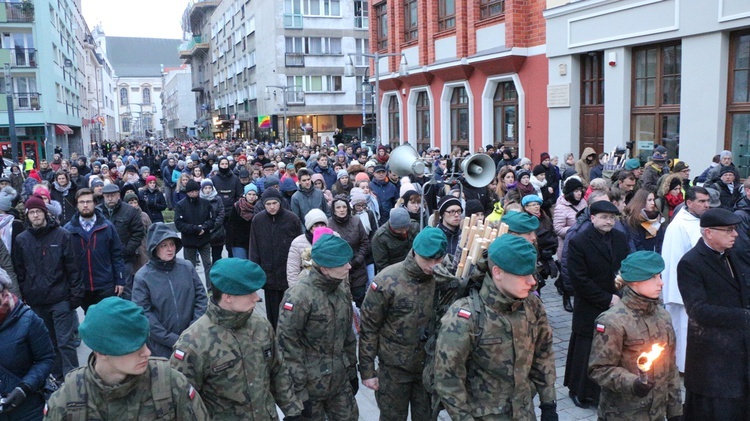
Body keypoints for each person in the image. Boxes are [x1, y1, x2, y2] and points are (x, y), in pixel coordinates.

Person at [433, 234, 558, 420]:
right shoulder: (464, 317)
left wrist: (549, 404)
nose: (532, 282)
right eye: (523, 274)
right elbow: (448, 379)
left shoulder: (532, 305)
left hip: (524, 413)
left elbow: (543, 354)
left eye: (532, 274)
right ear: (498, 272)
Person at [170, 258, 304, 419]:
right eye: (249, 292)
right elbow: (181, 401)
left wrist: (292, 411)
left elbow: (277, 370)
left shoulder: (260, 326)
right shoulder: (192, 343)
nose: (257, 297)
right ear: (228, 297)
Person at [44, 297, 209, 420]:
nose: (147, 353)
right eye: (133, 348)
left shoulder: (170, 383)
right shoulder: (67, 401)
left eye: (144, 343)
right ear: (101, 352)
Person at [359, 227, 448, 421]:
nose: (432, 266)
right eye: (427, 260)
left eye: (438, 260)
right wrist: (367, 371)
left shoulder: (444, 279)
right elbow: (369, 327)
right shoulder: (387, 280)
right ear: (415, 252)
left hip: (428, 368)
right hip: (394, 369)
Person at [588, 251, 683, 421]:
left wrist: (675, 411)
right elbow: (599, 369)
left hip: (657, 414)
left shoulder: (663, 316)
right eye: (653, 277)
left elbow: (671, 368)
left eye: (660, 276)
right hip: (624, 415)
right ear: (635, 281)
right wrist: (632, 382)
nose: (661, 283)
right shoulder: (612, 321)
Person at [277, 233, 359, 420]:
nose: (349, 266)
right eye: (342, 263)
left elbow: (348, 335)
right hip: (310, 387)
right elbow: (287, 347)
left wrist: (352, 372)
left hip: (339, 382)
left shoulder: (341, 289)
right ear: (325, 268)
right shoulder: (298, 296)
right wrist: (298, 396)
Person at [678, 208, 749, 419]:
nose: (735, 234)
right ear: (709, 233)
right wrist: (744, 317)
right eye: (729, 230)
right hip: (712, 357)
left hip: (738, 351)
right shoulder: (690, 263)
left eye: (735, 229)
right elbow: (697, 310)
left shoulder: (731, 254)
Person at [564, 200, 629, 408]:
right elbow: (579, 280)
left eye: (611, 218)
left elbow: (625, 265)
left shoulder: (619, 237)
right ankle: (579, 391)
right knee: (585, 350)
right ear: (592, 218)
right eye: (604, 217)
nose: (608, 221)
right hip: (590, 305)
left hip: (617, 300)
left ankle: (605, 390)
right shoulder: (579, 241)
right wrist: (607, 298)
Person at [132, 223, 207, 359]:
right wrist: (171, 339)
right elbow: (144, 314)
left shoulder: (187, 267)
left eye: (172, 244)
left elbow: (201, 298)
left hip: (193, 340)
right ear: (154, 248)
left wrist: (191, 331)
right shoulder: (143, 277)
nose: (170, 249)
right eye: (164, 245)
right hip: (161, 347)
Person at [660, 186, 710, 373]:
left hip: (699, 287)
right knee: (681, 329)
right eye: (701, 201)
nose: (706, 205)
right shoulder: (678, 225)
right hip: (683, 291)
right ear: (689, 203)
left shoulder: (698, 221)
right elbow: (673, 261)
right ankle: (681, 367)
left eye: (707, 201)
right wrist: (676, 293)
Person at [0, 268, 55, 421]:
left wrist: (24, 388)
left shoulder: (29, 320)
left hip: (27, 409)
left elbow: (46, 358)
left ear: (3, 291)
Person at [249, 188, 302, 329]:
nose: (272, 207)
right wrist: (255, 271)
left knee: (290, 310)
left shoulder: (292, 219)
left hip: (288, 274)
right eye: (268, 204)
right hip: (269, 274)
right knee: (272, 313)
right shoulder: (258, 220)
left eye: (274, 203)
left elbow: (300, 246)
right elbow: (254, 247)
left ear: (280, 203)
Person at [98, 183, 145, 300]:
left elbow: (138, 233)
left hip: (125, 259)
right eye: (107, 196)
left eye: (112, 195)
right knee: (106, 292)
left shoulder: (129, 211)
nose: (110, 198)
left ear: (118, 195)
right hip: (103, 260)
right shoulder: (97, 212)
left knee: (125, 291)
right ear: (103, 196)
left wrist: (126, 250)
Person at [174, 179, 220, 288]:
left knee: (208, 264)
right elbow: (179, 224)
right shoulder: (181, 205)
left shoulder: (205, 203)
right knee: (190, 266)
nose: (194, 194)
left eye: (195, 191)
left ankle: (210, 288)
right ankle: (193, 288)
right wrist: (195, 228)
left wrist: (204, 227)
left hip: (204, 239)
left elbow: (212, 219)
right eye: (191, 192)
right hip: (189, 241)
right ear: (187, 193)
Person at [328, 195, 370, 306]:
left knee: (359, 299)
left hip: (357, 268)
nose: (341, 210)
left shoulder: (356, 221)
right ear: (333, 209)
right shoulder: (329, 224)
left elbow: (364, 243)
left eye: (344, 207)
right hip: (338, 270)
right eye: (338, 207)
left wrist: (357, 260)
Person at [287, 209, 328, 289]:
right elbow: (293, 270)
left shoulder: (335, 237)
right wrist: (295, 291)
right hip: (307, 287)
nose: (319, 228)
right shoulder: (298, 242)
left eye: (322, 225)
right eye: (315, 225)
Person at [371, 208, 419, 273]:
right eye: (399, 229)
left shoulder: (414, 226)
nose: (404, 232)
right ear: (392, 226)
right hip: (394, 273)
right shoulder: (380, 238)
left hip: (415, 267)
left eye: (406, 228)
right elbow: (382, 265)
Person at [623, 189, 665, 253]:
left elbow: (660, 241)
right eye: (649, 200)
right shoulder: (632, 220)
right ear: (641, 201)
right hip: (641, 258)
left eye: (653, 200)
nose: (653, 203)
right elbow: (636, 244)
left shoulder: (657, 218)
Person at [225, 183, 258, 259]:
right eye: (249, 194)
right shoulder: (237, 206)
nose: (251, 197)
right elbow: (231, 225)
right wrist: (229, 243)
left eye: (253, 194)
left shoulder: (259, 207)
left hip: (253, 242)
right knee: (241, 265)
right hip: (238, 242)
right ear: (245, 195)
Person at [199, 179, 226, 265]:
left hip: (217, 232)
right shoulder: (199, 200)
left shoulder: (218, 199)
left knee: (217, 257)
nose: (208, 190)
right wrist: (206, 227)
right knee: (206, 259)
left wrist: (213, 226)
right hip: (204, 232)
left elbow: (221, 214)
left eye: (209, 188)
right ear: (202, 189)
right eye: (205, 188)